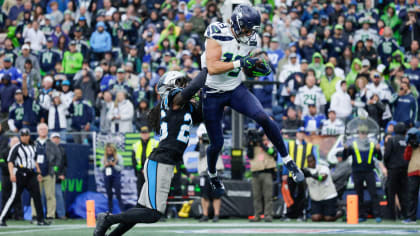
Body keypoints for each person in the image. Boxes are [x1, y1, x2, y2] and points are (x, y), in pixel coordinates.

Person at [201, 4, 303, 198]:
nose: (249, 34)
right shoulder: (217, 32)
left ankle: (288, 161)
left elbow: (244, 64)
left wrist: (253, 66)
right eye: (247, 28)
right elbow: (212, 67)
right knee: (217, 143)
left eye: (252, 30)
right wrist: (242, 63)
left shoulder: (251, 40)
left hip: (234, 87)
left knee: (264, 117)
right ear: (238, 24)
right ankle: (213, 175)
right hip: (212, 91)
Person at [93, 69, 207, 236]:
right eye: (181, 83)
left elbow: (201, 112)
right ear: (171, 85)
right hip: (161, 161)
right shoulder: (170, 98)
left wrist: (206, 92)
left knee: (141, 210)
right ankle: (108, 219)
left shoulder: (185, 106)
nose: (185, 86)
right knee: (153, 213)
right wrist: (207, 70)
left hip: (164, 162)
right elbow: (189, 91)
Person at [0, 128, 50, 226]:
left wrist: (39, 173)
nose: (24, 137)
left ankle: (40, 219)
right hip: (20, 173)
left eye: (26, 135)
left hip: (31, 174)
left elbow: (34, 161)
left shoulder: (33, 146)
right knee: (13, 196)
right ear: (20, 136)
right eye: (22, 135)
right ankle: (2, 218)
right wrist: (12, 174)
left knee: (37, 196)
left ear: (29, 136)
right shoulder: (16, 147)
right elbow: (10, 161)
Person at [343, 125, 383, 223]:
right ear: (358, 133)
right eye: (361, 133)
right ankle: (361, 215)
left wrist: (378, 150)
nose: (362, 135)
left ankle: (377, 215)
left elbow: (379, 157)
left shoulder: (372, 144)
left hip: (369, 171)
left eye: (364, 133)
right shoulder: (353, 144)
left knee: (373, 193)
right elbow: (345, 157)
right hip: (357, 172)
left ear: (367, 134)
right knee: (359, 194)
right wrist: (345, 148)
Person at [282, 127, 316, 220]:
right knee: (290, 194)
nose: (301, 135)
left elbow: (313, 160)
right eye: (300, 133)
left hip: (303, 174)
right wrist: (284, 172)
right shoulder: (290, 144)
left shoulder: (309, 146)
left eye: (303, 133)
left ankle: (301, 214)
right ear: (296, 134)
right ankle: (289, 214)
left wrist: (310, 173)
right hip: (291, 173)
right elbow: (285, 158)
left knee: (302, 195)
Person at [31, 123, 61, 221]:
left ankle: (50, 215)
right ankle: (35, 214)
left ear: (47, 131)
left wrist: (54, 169)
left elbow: (58, 157)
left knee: (50, 195)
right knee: (35, 195)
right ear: (38, 131)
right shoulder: (33, 143)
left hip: (49, 173)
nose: (43, 131)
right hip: (36, 174)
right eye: (41, 129)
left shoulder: (52, 144)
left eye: (44, 129)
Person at [196, 123, 224, 223]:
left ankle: (216, 215)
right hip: (204, 171)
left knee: (217, 194)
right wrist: (201, 141)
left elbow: (220, 148)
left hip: (216, 170)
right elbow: (200, 151)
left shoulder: (217, 141)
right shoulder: (199, 144)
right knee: (204, 195)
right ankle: (205, 214)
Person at [248, 132, 277, 223]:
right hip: (255, 173)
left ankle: (268, 215)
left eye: (263, 137)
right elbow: (250, 155)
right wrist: (250, 144)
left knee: (268, 196)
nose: (262, 138)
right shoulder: (253, 146)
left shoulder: (270, 145)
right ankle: (257, 216)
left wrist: (261, 144)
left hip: (267, 173)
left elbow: (273, 153)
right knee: (257, 196)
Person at [302, 154, 340, 222]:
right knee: (315, 218)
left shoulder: (323, 168)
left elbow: (322, 178)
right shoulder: (306, 171)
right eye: (308, 162)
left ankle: (341, 212)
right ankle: (323, 214)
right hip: (316, 199)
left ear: (315, 161)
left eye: (311, 161)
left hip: (328, 197)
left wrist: (311, 175)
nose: (310, 163)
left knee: (328, 219)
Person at [383, 122, 408, 220]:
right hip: (405, 170)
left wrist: (388, 165)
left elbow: (387, 155)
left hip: (393, 170)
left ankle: (392, 216)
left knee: (391, 193)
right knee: (404, 193)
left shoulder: (392, 140)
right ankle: (406, 215)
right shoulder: (407, 140)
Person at [0, 131, 22, 221]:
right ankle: (5, 215)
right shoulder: (5, 151)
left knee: (17, 195)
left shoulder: (20, 152)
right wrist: (11, 171)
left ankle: (18, 215)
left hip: (17, 176)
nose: (15, 144)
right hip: (6, 176)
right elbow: (1, 162)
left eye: (17, 142)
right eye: (14, 142)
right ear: (10, 143)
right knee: (5, 195)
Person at [131, 126, 159, 195]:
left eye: (146, 133)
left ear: (149, 134)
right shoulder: (135, 145)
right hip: (140, 173)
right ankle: (140, 206)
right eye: (143, 133)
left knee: (151, 192)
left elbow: (158, 158)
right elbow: (134, 161)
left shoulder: (155, 143)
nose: (144, 134)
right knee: (140, 192)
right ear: (140, 134)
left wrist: (148, 169)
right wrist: (141, 169)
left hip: (151, 172)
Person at [402, 127, 420, 224]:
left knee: (412, 195)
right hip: (413, 171)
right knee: (412, 195)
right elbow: (406, 157)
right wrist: (409, 145)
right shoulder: (411, 145)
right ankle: (411, 217)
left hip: (413, 171)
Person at [100, 143, 124, 213]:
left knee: (118, 194)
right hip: (107, 177)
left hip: (116, 177)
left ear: (113, 150)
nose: (109, 151)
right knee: (109, 194)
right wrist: (105, 165)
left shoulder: (118, 157)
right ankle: (110, 212)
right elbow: (100, 169)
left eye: (110, 150)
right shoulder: (103, 157)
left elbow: (121, 168)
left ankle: (122, 211)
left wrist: (114, 165)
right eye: (107, 150)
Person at [50, 132, 67, 220]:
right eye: (54, 138)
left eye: (57, 138)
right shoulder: (47, 149)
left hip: (58, 178)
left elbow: (64, 164)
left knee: (58, 195)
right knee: (46, 196)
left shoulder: (62, 150)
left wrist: (62, 174)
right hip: (48, 176)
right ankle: (48, 214)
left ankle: (61, 214)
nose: (56, 139)